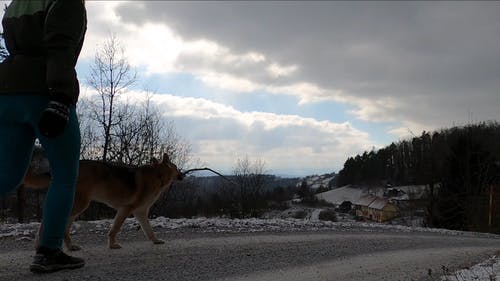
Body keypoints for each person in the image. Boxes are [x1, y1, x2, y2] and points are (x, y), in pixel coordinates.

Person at [0, 0, 87, 274]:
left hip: (7, 92)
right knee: (64, 176)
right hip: (45, 91)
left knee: (6, 176)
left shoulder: (17, 3)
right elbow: (60, 46)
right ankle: (49, 251)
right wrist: (61, 95)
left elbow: (14, 45)